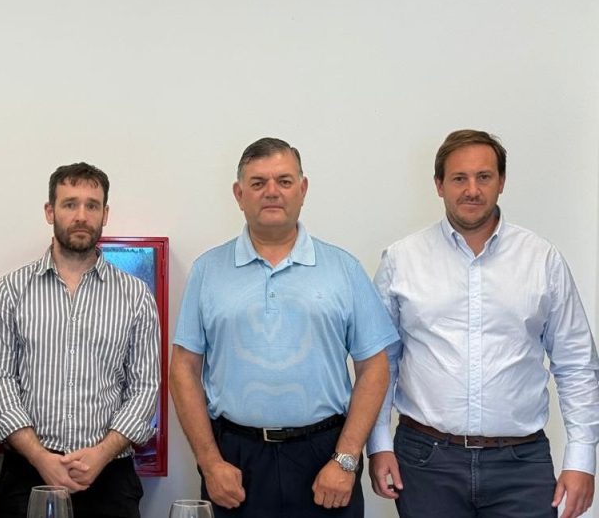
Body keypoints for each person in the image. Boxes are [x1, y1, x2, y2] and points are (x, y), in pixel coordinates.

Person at [368, 129, 599, 518]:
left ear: (502, 182)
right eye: (459, 178)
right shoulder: (402, 260)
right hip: (426, 462)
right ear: (439, 184)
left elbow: (576, 363)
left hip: (521, 465)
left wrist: (582, 459)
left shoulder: (542, 260)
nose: (472, 190)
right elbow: (380, 363)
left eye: (484, 177)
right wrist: (378, 444)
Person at [170, 138, 398, 517]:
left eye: (284, 181)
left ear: (303, 189)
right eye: (258, 183)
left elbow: (374, 367)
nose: (272, 192)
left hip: (325, 458)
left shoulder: (343, 268)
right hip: (235, 462)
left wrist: (346, 459)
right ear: (239, 194)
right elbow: (183, 369)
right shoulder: (207, 271)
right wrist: (210, 463)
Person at [0, 162, 160, 518]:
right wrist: (41, 458)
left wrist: (102, 454)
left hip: (110, 477)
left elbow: (145, 388)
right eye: (69, 204)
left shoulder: (136, 296)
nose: (81, 215)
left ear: (105, 214)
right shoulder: (11, 291)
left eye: (92, 205)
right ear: (50, 211)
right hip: (27, 474)